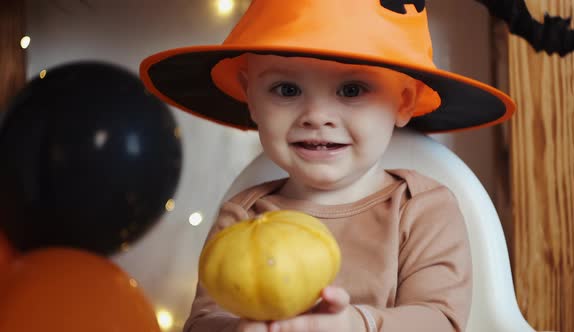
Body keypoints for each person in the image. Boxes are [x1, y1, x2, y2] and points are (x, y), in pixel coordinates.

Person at [140, 1, 516, 331]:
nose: (316, 116)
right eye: (286, 90)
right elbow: (203, 323)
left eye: (351, 90)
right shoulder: (242, 216)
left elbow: (439, 320)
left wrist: (358, 325)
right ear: (250, 97)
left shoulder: (422, 207)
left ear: (403, 100)